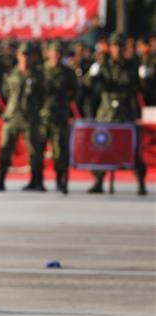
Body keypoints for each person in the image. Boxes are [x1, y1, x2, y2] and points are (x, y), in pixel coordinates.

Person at [87, 32, 147, 196]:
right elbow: (88, 87)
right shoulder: (104, 65)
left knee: (132, 149)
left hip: (125, 112)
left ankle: (141, 182)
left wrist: (145, 78)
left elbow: (142, 89)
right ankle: (98, 181)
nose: (117, 50)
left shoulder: (132, 66)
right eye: (114, 46)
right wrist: (93, 75)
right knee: (101, 149)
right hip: (106, 114)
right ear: (110, 48)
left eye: (120, 46)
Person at [0, 43, 45, 192]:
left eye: (27, 55)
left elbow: (42, 95)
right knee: (5, 149)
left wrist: (36, 110)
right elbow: (6, 93)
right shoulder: (12, 74)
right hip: (13, 115)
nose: (25, 58)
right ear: (18, 56)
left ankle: (36, 180)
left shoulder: (37, 75)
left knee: (35, 150)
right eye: (23, 55)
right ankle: (1, 180)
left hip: (30, 116)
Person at [40, 41, 76, 194]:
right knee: (38, 149)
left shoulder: (67, 72)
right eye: (54, 53)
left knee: (60, 150)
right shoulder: (41, 71)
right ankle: (37, 180)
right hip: (42, 115)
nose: (56, 56)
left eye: (58, 53)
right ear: (48, 53)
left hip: (60, 115)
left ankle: (60, 179)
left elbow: (75, 91)